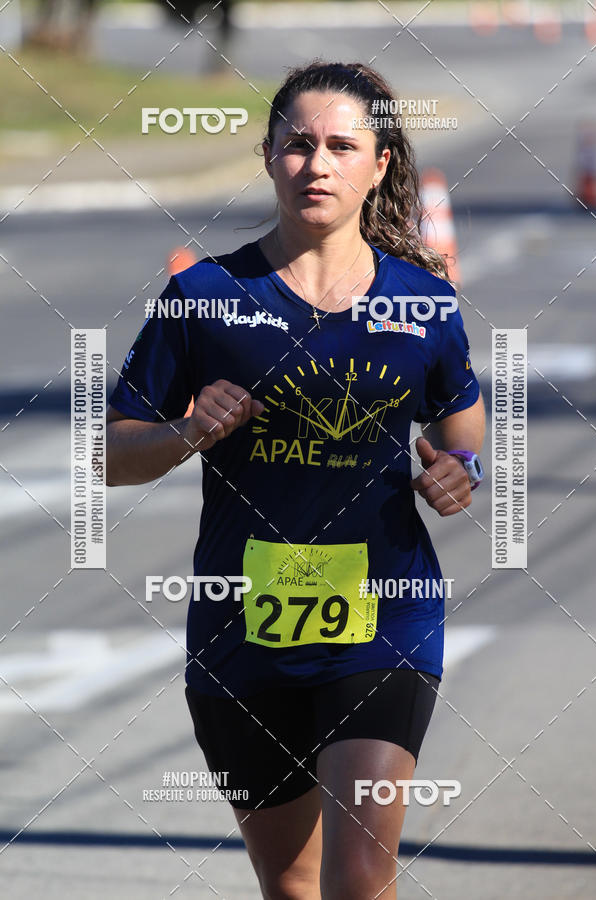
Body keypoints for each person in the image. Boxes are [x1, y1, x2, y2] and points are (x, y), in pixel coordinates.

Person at [107, 61, 485, 900]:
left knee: (360, 876)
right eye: (297, 145)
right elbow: (107, 455)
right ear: (268, 154)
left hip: (384, 617)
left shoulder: (421, 302)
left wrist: (463, 470)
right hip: (241, 630)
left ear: (379, 164)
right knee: (293, 885)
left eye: (342, 146)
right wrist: (183, 429)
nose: (317, 165)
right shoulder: (201, 296)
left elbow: (461, 420)